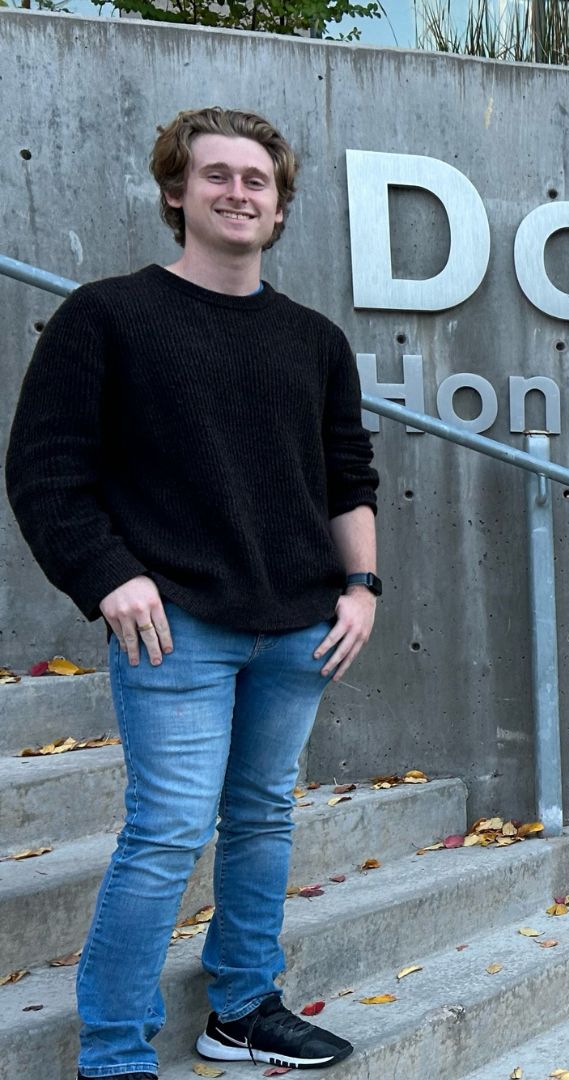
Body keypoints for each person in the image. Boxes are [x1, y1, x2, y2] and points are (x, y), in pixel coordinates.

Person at [5, 107, 379, 1078]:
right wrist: (108, 576)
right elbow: (45, 471)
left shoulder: (314, 339)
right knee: (168, 832)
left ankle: (243, 1008)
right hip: (176, 630)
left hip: (300, 628)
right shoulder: (107, 317)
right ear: (177, 191)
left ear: (280, 205)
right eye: (217, 176)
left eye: (258, 181)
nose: (238, 193)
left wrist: (364, 587)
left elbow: (349, 477)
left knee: (261, 818)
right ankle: (116, 1054)